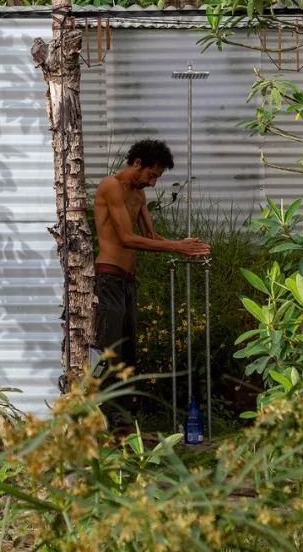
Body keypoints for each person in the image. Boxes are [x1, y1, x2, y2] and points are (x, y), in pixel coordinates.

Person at [91, 138, 210, 427]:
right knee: (110, 351)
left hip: (129, 281)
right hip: (108, 278)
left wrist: (181, 244)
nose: (153, 183)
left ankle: (121, 420)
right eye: (152, 175)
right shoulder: (111, 186)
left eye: (157, 178)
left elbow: (152, 238)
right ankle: (99, 419)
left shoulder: (139, 196)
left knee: (129, 354)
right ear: (137, 163)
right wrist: (176, 248)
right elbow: (125, 238)